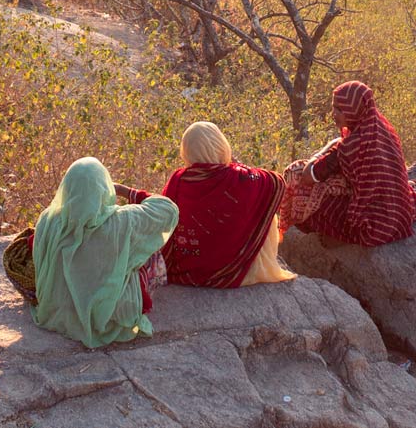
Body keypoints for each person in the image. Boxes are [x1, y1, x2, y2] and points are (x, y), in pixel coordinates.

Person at [30, 156, 178, 348]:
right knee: (147, 250)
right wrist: (125, 191)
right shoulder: (122, 222)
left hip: (57, 309)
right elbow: (168, 210)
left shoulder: (49, 220)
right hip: (112, 315)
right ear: (103, 188)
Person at [282, 81, 416, 246]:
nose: (334, 114)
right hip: (401, 213)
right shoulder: (382, 129)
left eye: (340, 110)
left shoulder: (350, 146)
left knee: (297, 177)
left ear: (355, 110)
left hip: (372, 227)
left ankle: (340, 237)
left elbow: (308, 176)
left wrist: (330, 145)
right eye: (334, 107)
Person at [159, 121, 295, 288]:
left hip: (184, 269)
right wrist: (239, 166)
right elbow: (277, 182)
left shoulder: (179, 179)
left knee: (261, 201)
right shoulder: (239, 178)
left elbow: (162, 213)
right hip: (231, 272)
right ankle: (255, 264)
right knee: (262, 202)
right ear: (220, 144)